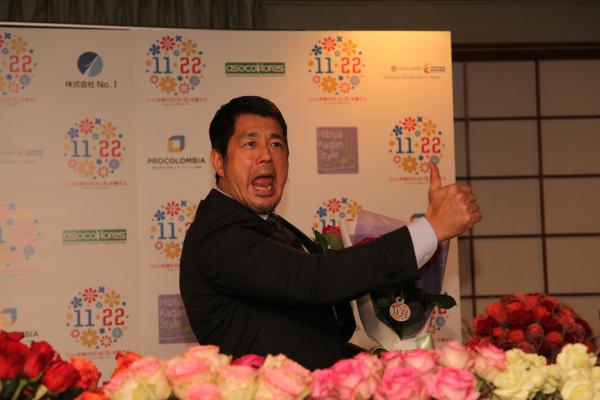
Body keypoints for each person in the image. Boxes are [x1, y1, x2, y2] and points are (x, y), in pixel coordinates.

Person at [179, 96, 481, 369]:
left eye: (276, 144)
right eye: (250, 144)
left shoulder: (271, 224)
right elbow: (316, 279)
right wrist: (430, 229)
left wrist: (372, 362)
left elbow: (305, 341)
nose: (266, 156)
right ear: (219, 161)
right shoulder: (218, 233)